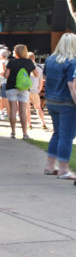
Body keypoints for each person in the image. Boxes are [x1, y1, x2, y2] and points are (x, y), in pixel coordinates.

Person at [42, 33, 76, 179]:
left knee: (57, 134)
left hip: (51, 101)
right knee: (66, 137)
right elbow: (72, 86)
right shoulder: (72, 61)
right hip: (67, 103)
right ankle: (63, 170)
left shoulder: (50, 60)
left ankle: (50, 166)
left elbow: (45, 78)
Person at [3, 44, 38, 139]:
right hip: (24, 89)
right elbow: (36, 74)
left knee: (13, 110)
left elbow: (6, 75)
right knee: (23, 111)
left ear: (17, 52)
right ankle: (25, 134)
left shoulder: (11, 62)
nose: (13, 52)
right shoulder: (29, 62)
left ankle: (13, 132)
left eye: (14, 50)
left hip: (11, 87)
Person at [26, 51, 47, 130]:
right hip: (35, 91)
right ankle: (43, 123)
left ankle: (29, 124)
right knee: (38, 108)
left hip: (26, 91)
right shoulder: (39, 68)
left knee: (27, 108)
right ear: (34, 58)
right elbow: (41, 80)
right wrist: (39, 89)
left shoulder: (24, 67)